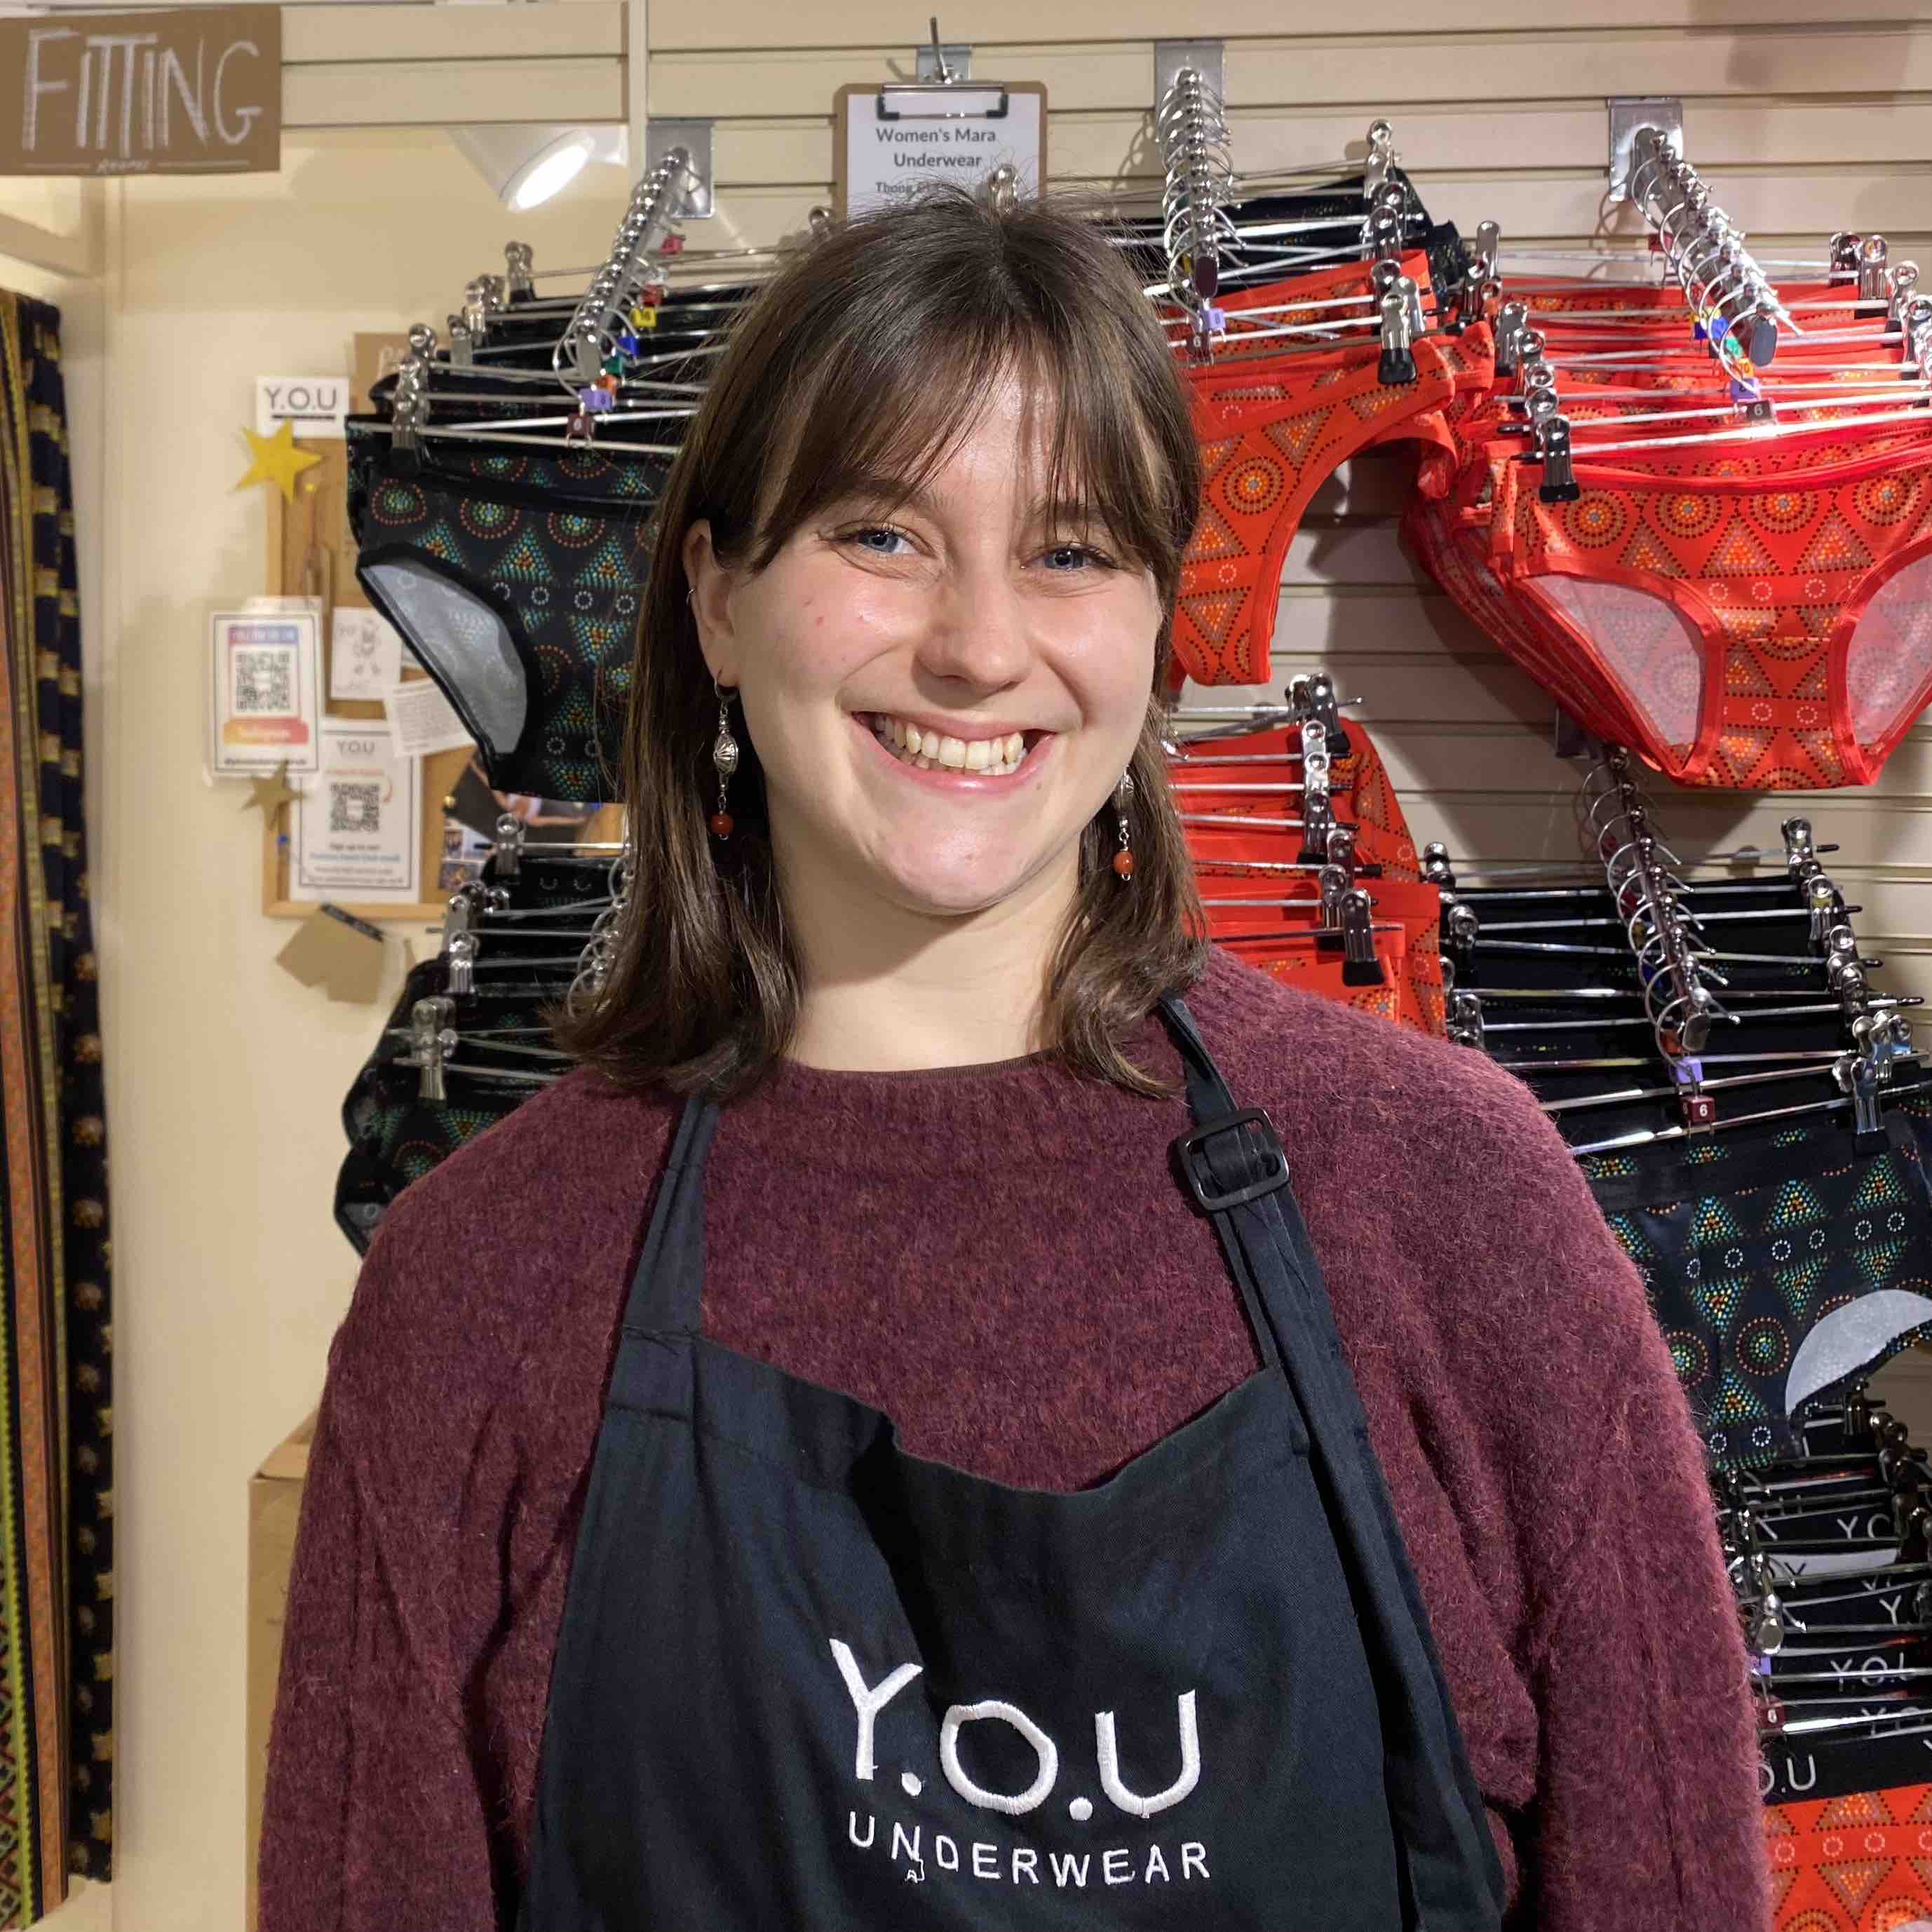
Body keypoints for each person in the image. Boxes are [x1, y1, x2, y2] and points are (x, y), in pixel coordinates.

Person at [258, 187, 1767, 1931]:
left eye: (1068, 551)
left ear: (1154, 621)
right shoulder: (487, 1285)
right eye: (881, 534)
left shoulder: (1448, 1200)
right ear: (718, 600)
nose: (980, 647)